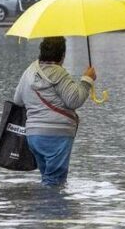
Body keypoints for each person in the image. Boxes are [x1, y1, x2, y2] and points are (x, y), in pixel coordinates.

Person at [12, 37, 96, 187]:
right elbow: (74, 100)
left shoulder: (29, 71)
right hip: (57, 135)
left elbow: (17, 100)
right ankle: (53, 209)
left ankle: (41, 208)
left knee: (47, 178)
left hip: (33, 136)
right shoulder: (59, 74)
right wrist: (87, 80)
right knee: (55, 182)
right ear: (62, 55)